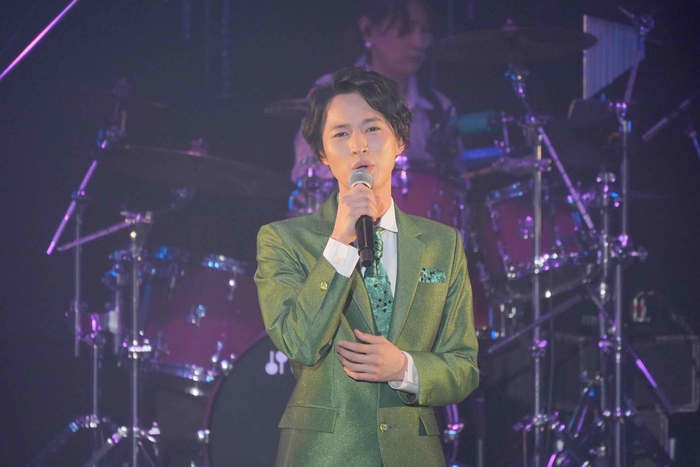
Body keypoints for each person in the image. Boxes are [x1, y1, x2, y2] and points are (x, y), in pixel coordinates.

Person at [256, 66, 478, 467]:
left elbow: (463, 366)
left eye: (372, 128)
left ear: (400, 140)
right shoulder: (283, 240)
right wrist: (339, 244)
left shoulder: (442, 244)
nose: (358, 145)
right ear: (322, 154)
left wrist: (405, 367)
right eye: (341, 134)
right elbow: (300, 344)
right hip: (324, 455)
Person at [291, 0, 463, 184]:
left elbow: (456, 185)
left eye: (425, 31)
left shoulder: (439, 108)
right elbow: (308, 175)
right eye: (405, 29)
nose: (418, 42)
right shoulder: (333, 93)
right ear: (368, 30)